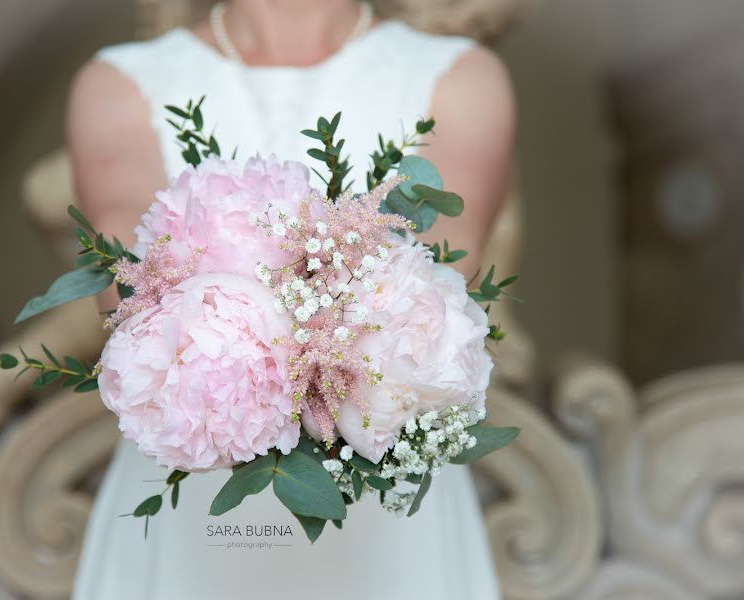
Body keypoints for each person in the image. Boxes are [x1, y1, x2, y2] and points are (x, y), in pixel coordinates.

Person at [68, 1, 513, 598]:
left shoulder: (460, 76)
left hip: (388, 518)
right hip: (196, 486)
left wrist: (254, 312)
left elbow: (439, 277)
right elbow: (126, 277)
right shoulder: (120, 82)